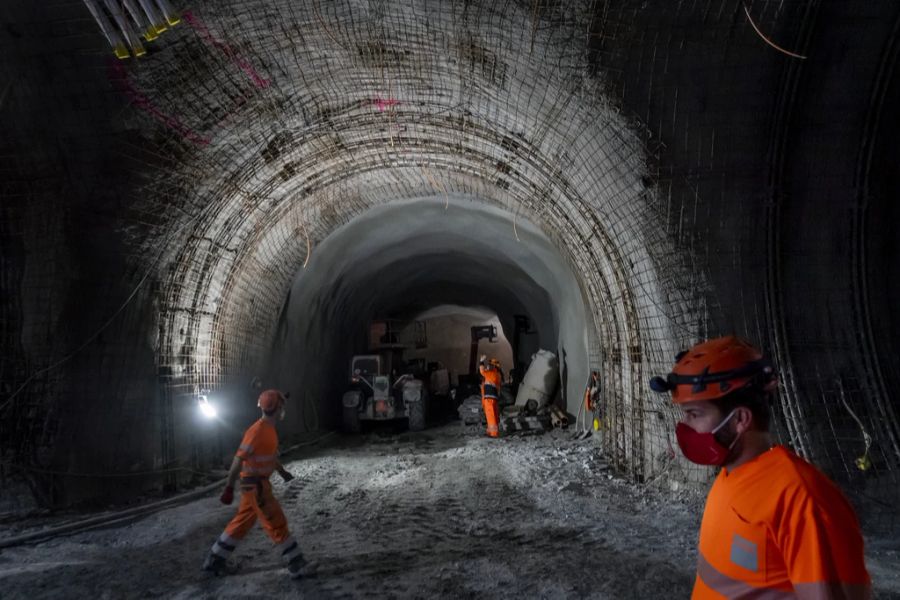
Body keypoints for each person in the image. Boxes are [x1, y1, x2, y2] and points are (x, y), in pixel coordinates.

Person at [650, 336, 871, 599]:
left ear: (740, 419)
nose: (684, 427)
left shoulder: (802, 500)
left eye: (694, 415)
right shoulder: (731, 474)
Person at [202, 389, 315, 579]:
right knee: (276, 521)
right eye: (282, 406)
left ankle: (214, 561)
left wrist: (281, 471)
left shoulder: (268, 430)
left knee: (241, 523)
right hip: (256, 487)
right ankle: (297, 564)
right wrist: (228, 487)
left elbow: (269, 456)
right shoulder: (257, 431)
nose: (283, 409)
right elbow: (238, 460)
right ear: (278, 408)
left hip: (255, 485)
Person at [478, 355, 503, 438]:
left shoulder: (491, 373)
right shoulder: (497, 374)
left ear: (494, 366)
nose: (488, 366)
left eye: (490, 365)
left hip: (489, 399)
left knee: (491, 417)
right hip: (492, 399)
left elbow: (482, 371)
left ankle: (493, 434)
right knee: (492, 416)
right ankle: (490, 432)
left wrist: (481, 361)